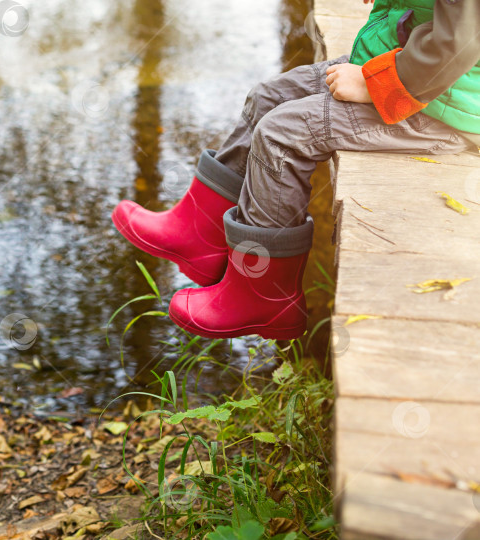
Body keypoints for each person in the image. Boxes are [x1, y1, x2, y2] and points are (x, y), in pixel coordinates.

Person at [112, 0, 480, 340]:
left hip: (444, 106)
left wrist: (376, 83)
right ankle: (199, 236)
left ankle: (264, 297)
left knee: (282, 134)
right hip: (404, 65)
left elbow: (460, 41)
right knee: (267, 98)